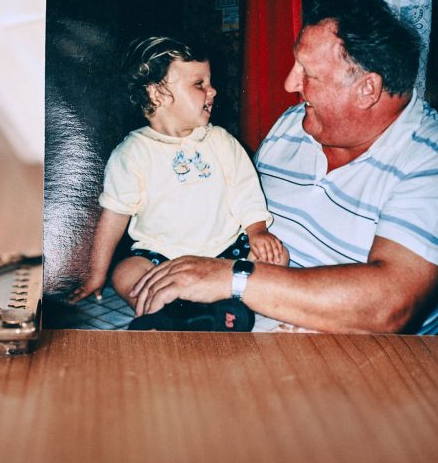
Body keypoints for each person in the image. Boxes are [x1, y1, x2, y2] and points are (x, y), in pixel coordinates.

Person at [130, 0, 438, 334]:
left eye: (307, 74)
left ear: (367, 90)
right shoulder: (290, 126)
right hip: (244, 326)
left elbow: (388, 306)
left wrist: (231, 278)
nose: (289, 83)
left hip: (361, 364)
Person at [68, 36, 288, 331]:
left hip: (226, 254)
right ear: (158, 93)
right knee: (125, 272)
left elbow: (246, 192)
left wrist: (258, 231)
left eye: (209, 82)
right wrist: (96, 274)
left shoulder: (221, 141)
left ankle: (231, 305)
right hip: (161, 259)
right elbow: (114, 216)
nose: (213, 91)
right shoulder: (132, 153)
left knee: (277, 257)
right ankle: (171, 315)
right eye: (199, 84)